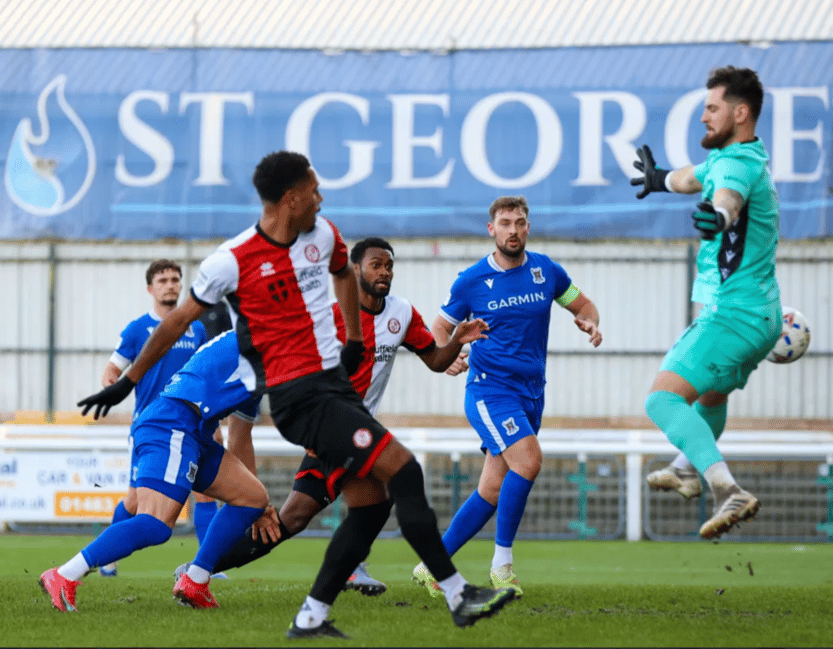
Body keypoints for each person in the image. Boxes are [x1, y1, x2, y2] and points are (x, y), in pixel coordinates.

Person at [76, 151, 517, 639]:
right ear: (291, 198)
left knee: (361, 508)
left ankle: (306, 614)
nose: (321, 198)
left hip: (334, 396)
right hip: (301, 399)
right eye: (313, 190)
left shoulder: (325, 237)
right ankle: (457, 593)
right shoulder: (231, 259)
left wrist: (352, 341)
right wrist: (128, 380)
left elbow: (343, 275)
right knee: (403, 470)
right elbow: (179, 319)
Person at [204, 236, 488, 592]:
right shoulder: (330, 315)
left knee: (310, 515)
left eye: (389, 266)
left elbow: (435, 361)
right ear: (355, 271)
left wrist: (457, 341)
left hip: (358, 431)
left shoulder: (401, 313)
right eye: (376, 265)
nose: (384, 272)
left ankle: (205, 568)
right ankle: (447, 585)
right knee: (367, 493)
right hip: (331, 428)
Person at [411, 195, 603, 599]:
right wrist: (444, 358)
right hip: (489, 390)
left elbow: (581, 303)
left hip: (532, 393)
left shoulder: (545, 272)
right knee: (530, 460)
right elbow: (438, 328)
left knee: (492, 489)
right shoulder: (472, 281)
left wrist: (589, 320)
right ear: (491, 229)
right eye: (505, 223)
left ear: (527, 227)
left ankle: (432, 566)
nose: (512, 230)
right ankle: (502, 567)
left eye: (519, 222)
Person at [630, 65, 782, 539]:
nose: (703, 117)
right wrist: (658, 179)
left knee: (661, 400)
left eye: (711, 108)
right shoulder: (737, 157)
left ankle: (726, 489)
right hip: (762, 316)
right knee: (711, 397)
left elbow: (728, 201)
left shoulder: (736, 168)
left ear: (740, 113)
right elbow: (691, 178)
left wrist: (719, 218)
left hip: (732, 314)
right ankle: (684, 467)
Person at [40, 330, 272, 612]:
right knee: (156, 524)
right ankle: (64, 574)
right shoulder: (258, 339)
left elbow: (240, 435)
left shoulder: (265, 356)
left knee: (253, 498)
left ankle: (195, 581)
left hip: (195, 433)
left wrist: (264, 509)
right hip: (172, 424)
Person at [97, 259, 209, 577]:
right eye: (163, 280)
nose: (171, 284)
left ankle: (206, 565)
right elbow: (111, 371)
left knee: (204, 490)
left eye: (175, 279)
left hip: (191, 425)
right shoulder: (137, 330)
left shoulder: (196, 328)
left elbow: (204, 374)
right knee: (135, 500)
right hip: (150, 426)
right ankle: (107, 555)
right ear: (151, 289)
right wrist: (112, 389)